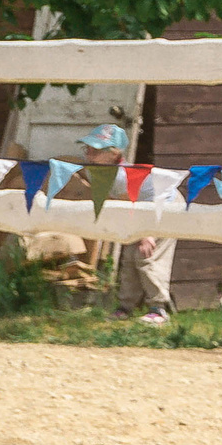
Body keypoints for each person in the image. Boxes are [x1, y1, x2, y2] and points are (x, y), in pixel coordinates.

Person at [77, 122, 179, 324]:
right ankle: (125, 307)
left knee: (147, 256)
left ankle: (159, 309)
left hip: (163, 207)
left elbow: (136, 205)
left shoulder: (122, 177)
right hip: (139, 211)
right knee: (129, 259)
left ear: (114, 154)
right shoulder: (95, 170)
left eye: (96, 150)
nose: (89, 154)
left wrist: (146, 233)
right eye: (87, 148)